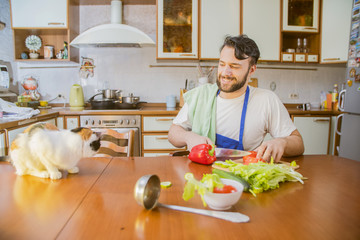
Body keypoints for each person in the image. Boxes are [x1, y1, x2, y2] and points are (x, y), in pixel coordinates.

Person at [168, 35, 304, 162]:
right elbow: (173, 133)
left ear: (251, 70)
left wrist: (282, 142)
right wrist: (188, 136)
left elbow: (298, 143)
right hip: (201, 178)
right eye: (222, 64)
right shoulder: (200, 96)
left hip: (244, 176)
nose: (225, 73)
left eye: (234, 66)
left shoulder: (266, 100)